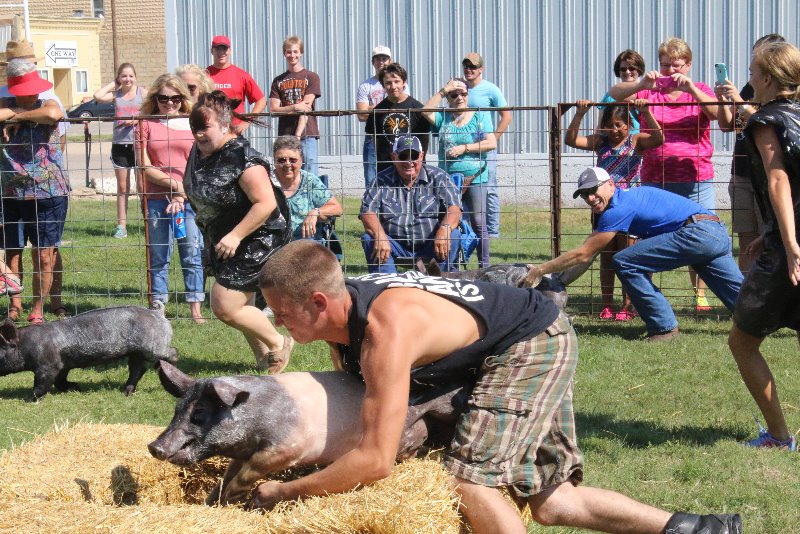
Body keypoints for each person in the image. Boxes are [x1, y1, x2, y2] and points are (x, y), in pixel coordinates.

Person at [254, 239, 743, 534]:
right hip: (511, 336)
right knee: (551, 503)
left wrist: (286, 492)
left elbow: (376, 460)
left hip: (529, 342)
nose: (276, 320)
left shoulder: (385, 330)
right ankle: (699, 529)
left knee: (470, 479)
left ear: (319, 301)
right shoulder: (346, 322)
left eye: (282, 311)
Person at [525, 167, 743, 342]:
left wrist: (540, 271)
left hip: (696, 233)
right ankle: (764, 319)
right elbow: (589, 254)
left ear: (610, 184)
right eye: (584, 194)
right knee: (744, 299)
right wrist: (561, 281)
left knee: (624, 260)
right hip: (716, 231)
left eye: (593, 190)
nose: (590, 198)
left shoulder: (618, 208)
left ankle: (663, 327)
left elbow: (583, 253)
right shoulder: (626, 198)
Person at [183, 91, 293, 372]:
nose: (198, 135)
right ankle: (264, 357)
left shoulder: (242, 157)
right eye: (194, 128)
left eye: (204, 128)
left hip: (258, 236)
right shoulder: (201, 151)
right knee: (242, 304)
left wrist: (235, 235)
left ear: (224, 125)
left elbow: (266, 203)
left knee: (225, 305)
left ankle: (279, 343)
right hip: (224, 236)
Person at [608, 37, 720, 312]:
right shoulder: (651, 91)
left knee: (702, 235)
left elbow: (717, 114)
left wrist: (692, 89)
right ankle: (646, 299)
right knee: (647, 238)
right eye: (665, 64)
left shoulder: (701, 89)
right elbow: (615, 94)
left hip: (695, 176)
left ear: (689, 65)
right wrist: (642, 83)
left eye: (676, 65)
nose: (670, 70)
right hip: (656, 176)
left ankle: (700, 295)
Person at [727, 41, 800, 452]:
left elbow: (779, 180)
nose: (750, 78)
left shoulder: (766, 121)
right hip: (782, 234)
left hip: (791, 245)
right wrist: (770, 231)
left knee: (741, 341)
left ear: (768, 78)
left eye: (754, 72)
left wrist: (788, 243)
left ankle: (778, 435)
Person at [564, 99, 663, 320]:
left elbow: (658, 138)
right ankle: (607, 304)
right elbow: (570, 139)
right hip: (604, 206)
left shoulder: (635, 141)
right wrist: (579, 114)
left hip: (629, 207)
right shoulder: (601, 142)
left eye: (620, 125)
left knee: (628, 255)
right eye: (610, 125)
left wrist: (646, 112)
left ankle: (628, 305)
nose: (615, 130)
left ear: (629, 124)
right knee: (607, 256)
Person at [0, 41, 68, 318]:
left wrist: (20, 117)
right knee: (13, 252)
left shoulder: (48, 102)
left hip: (49, 192)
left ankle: (39, 308)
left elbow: (53, 114)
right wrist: (13, 115)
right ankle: (15, 305)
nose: (30, 95)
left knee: (44, 254)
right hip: (11, 193)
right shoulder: (4, 103)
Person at [136, 74, 205, 323]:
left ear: (182, 98)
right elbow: (144, 165)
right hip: (156, 197)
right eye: (163, 98)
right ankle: (158, 307)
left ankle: (195, 308)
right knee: (159, 253)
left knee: (191, 251)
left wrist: (183, 192)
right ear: (156, 99)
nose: (169, 103)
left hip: (189, 199)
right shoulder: (145, 124)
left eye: (175, 98)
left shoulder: (192, 123)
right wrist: (175, 185)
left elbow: (200, 162)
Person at [715, 34, 786, 274]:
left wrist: (738, 100)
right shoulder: (749, 88)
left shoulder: (786, 94)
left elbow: (763, 120)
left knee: (772, 238)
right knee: (747, 241)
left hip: (769, 176)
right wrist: (724, 101)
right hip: (742, 174)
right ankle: (745, 296)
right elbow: (729, 125)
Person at [421, 78, 496, 268]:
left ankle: (484, 266)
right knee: (449, 221)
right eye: (454, 95)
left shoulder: (480, 116)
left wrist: (465, 148)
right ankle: (451, 266)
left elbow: (491, 143)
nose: (460, 97)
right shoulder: (443, 117)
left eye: (463, 93)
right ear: (448, 98)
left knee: (479, 221)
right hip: (447, 179)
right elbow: (425, 111)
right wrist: (444, 89)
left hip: (476, 175)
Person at [360, 135, 461, 273]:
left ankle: (438, 285)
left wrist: (445, 229)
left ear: (422, 156)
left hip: (431, 244)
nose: (409, 161)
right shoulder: (380, 180)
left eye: (414, 155)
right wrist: (379, 236)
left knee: (453, 234)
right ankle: (387, 287)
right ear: (393, 157)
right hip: (393, 245)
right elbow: (367, 212)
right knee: (369, 238)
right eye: (403, 156)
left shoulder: (439, 177)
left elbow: (454, 208)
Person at [93, 62, 146, 239]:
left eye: (131, 76)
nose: (127, 79)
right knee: (123, 187)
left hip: (139, 144)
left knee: (142, 186)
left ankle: (148, 222)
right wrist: (113, 84)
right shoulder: (116, 94)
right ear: (119, 78)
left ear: (136, 77)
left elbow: (152, 110)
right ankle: (121, 226)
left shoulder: (142, 93)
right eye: (124, 76)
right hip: (120, 144)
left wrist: (137, 119)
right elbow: (98, 96)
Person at [462, 52, 511, 239]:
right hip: (463, 148)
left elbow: (507, 116)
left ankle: (492, 231)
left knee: (489, 188)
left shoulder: (490, 90)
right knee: (463, 189)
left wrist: (494, 140)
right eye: (466, 66)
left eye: (473, 67)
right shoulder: (459, 88)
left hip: (484, 148)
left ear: (480, 69)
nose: (469, 70)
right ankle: (467, 230)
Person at [272, 135, 342, 241]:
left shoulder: (310, 181)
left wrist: (315, 212)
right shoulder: (266, 181)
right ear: (274, 161)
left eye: (293, 160)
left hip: (307, 245)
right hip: (274, 244)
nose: (287, 164)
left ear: (301, 160)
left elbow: (337, 208)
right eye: (281, 160)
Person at [269, 35, 322, 176]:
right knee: (287, 173)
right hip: (285, 135)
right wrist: (294, 107)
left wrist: (298, 136)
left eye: (295, 52)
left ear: (301, 53)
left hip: (307, 134)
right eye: (288, 52)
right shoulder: (278, 81)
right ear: (284, 53)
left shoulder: (311, 77)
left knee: (310, 172)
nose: (292, 55)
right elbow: (273, 109)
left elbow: (306, 107)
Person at [364, 62, 430, 173]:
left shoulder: (417, 108)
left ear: (404, 82)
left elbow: (424, 140)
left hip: (411, 167)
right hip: (386, 169)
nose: (393, 86)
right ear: (383, 85)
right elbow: (376, 140)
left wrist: (418, 162)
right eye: (388, 83)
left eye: (397, 82)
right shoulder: (377, 111)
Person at [206, 35, 266, 135]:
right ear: (212, 51)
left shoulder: (241, 75)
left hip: (234, 132)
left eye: (224, 49)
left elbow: (261, 101)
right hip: (211, 131)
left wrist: (246, 121)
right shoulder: (204, 75)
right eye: (218, 49)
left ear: (229, 50)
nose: (221, 53)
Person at [356, 45, 394, 188]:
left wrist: (373, 109)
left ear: (390, 61)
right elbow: (362, 115)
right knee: (371, 178)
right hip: (373, 136)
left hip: (393, 136)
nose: (381, 62)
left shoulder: (398, 83)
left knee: (394, 176)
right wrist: (387, 109)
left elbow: (400, 110)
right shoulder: (366, 85)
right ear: (373, 62)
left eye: (384, 58)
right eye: (378, 59)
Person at [599, 49, 647, 134]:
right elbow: (601, 127)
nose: (627, 72)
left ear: (639, 70)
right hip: (617, 144)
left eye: (632, 68)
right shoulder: (609, 96)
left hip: (641, 143)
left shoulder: (647, 94)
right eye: (623, 69)